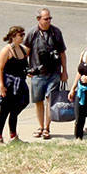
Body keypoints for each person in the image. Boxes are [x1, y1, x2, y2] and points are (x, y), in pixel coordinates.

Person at [23, 8, 67, 140]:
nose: (48, 21)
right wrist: (27, 69)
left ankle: (47, 128)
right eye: (45, 19)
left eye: (50, 18)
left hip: (54, 73)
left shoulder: (56, 32)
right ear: (38, 19)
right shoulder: (32, 33)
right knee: (38, 101)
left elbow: (62, 53)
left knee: (50, 100)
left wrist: (64, 71)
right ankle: (40, 126)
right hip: (38, 74)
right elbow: (26, 52)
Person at [0, 25, 31, 142]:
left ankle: (13, 136)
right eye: (20, 35)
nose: (23, 37)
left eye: (23, 35)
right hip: (8, 84)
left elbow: (25, 66)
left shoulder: (23, 50)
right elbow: (0, 69)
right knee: (4, 110)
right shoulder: (6, 50)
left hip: (20, 85)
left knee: (18, 108)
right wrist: (1, 86)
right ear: (13, 36)